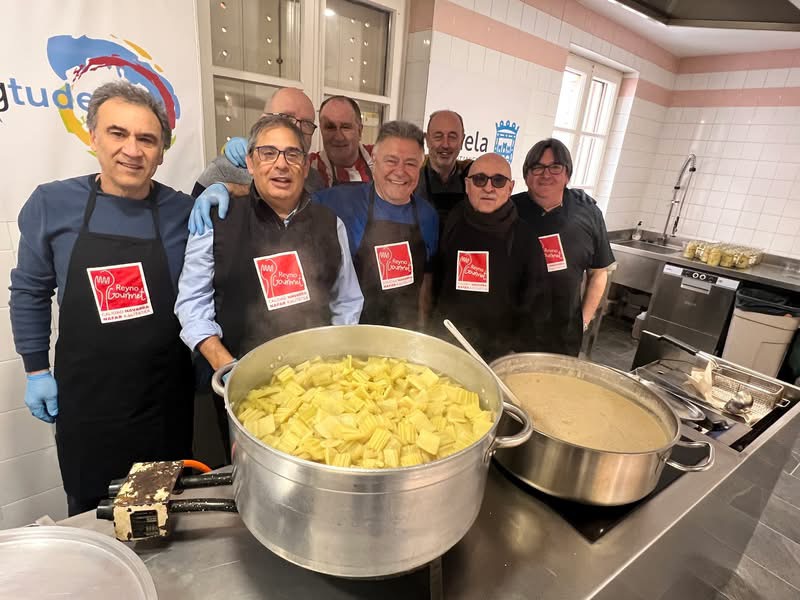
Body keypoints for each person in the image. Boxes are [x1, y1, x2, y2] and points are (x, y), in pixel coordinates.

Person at [9, 81, 195, 516]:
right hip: (88, 406)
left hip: (161, 404)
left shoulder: (182, 212)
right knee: (93, 518)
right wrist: (36, 368)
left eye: (147, 139)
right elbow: (29, 290)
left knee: (156, 517)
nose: (132, 149)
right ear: (93, 137)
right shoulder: (52, 204)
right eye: (118, 133)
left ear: (162, 152)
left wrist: (225, 187)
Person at [175, 115, 363, 448]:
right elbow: (191, 303)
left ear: (305, 167)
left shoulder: (330, 224)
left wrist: (333, 361)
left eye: (292, 154)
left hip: (316, 387)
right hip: (241, 385)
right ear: (250, 162)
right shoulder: (219, 219)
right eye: (268, 153)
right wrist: (226, 366)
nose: (281, 164)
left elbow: (347, 301)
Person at [313, 121, 439, 330]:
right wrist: (242, 178)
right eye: (391, 161)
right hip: (354, 337)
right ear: (374, 160)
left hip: (404, 337)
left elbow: (427, 278)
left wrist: (422, 330)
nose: (400, 171)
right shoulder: (339, 202)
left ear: (421, 165)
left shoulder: (428, 215)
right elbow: (288, 200)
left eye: (410, 163)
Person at [432, 153, 548, 360]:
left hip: (499, 353)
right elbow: (438, 278)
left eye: (498, 180)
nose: (488, 187)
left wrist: (517, 353)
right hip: (448, 344)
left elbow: (536, 302)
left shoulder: (525, 237)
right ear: (467, 186)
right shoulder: (451, 221)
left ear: (510, 188)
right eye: (479, 179)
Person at [510, 138, 615, 356]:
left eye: (555, 167)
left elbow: (598, 273)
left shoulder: (588, 213)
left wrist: (584, 320)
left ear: (567, 174)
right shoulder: (510, 211)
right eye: (537, 167)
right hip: (513, 334)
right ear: (526, 174)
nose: (546, 174)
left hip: (564, 338)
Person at [188, 87, 325, 232]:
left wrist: (234, 189)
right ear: (263, 120)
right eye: (286, 117)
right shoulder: (222, 169)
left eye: (307, 123)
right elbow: (193, 229)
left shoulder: (315, 179)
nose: (296, 128)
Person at [415, 110, 473, 227]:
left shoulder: (475, 178)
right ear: (427, 140)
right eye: (438, 136)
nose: (445, 144)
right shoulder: (409, 177)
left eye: (452, 137)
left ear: (462, 141)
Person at [309, 95, 374, 187]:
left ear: (360, 131)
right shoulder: (309, 167)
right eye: (330, 127)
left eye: (345, 127)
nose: (338, 137)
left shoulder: (380, 159)